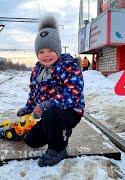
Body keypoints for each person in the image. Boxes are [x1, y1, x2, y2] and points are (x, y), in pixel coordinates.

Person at [17, 15, 85, 167]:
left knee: (52, 111)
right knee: (31, 140)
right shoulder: (37, 71)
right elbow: (33, 94)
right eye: (41, 52)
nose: (46, 55)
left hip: (69, 111)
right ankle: (61, 133)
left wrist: (48, 104)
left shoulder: (68, 66)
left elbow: (73, 95)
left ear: (58, 50)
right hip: (48, 115)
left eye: (50, 50)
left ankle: (58, 149)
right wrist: (27, 109)